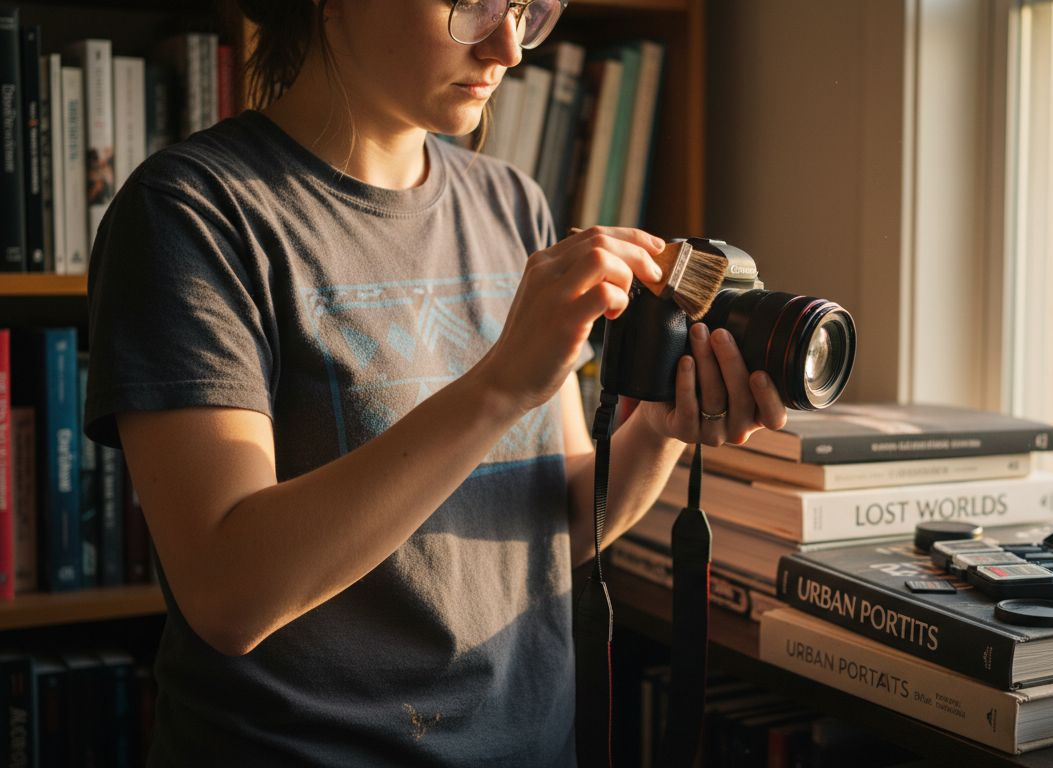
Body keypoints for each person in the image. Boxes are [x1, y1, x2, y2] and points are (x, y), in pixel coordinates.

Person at [83, 0, 787, 764]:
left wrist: (660, 427)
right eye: (473, 5)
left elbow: (559, 523)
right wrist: (498, 387)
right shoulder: (195, 214)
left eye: (528, 8)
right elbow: (227, 594)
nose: (510, 49)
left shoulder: (511, 203)